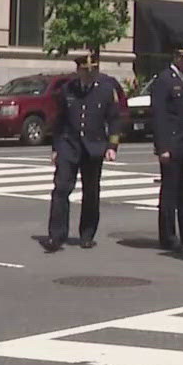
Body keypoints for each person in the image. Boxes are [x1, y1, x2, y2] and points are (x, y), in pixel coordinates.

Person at [42, 52, 122, 253]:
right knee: (61, 189)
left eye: (93, 71)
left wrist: (112, 147)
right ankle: (56, 236)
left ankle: (87, 234)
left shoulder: (106, 89)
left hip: (94, 146)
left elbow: (114, 119)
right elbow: (59, 121)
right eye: (86, 71)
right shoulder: (67, 89)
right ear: (78, 71)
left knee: (91, 192)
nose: (89, 75)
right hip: (69, 145)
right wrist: (55, 148)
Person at [148, 43, 183, 254]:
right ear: (178, 57)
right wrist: (163, 147)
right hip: (172, 145)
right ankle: (168, 236)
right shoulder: (164, 80)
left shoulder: (182, 81)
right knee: (170, 194)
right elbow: (159, 116)